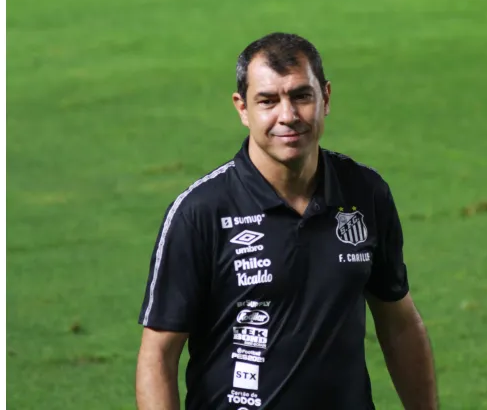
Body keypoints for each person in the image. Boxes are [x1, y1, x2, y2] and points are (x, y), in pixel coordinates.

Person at [135, 32, 438, 410]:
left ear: (325, 98)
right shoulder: (201, 212)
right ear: (242, 108)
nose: (288, 116)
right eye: (268, 101)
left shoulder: (365, 193)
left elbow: (399, 324)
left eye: (301, 96)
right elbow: (158, 355)